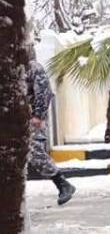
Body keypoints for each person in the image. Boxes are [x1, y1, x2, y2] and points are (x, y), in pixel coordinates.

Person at [26, 48, 76, 205]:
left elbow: (44, 92)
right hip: (13, 121)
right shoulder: (9, 69)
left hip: (32, 120)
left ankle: (63, 184)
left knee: (35, 153)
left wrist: (38, 115)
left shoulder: (32, 67)